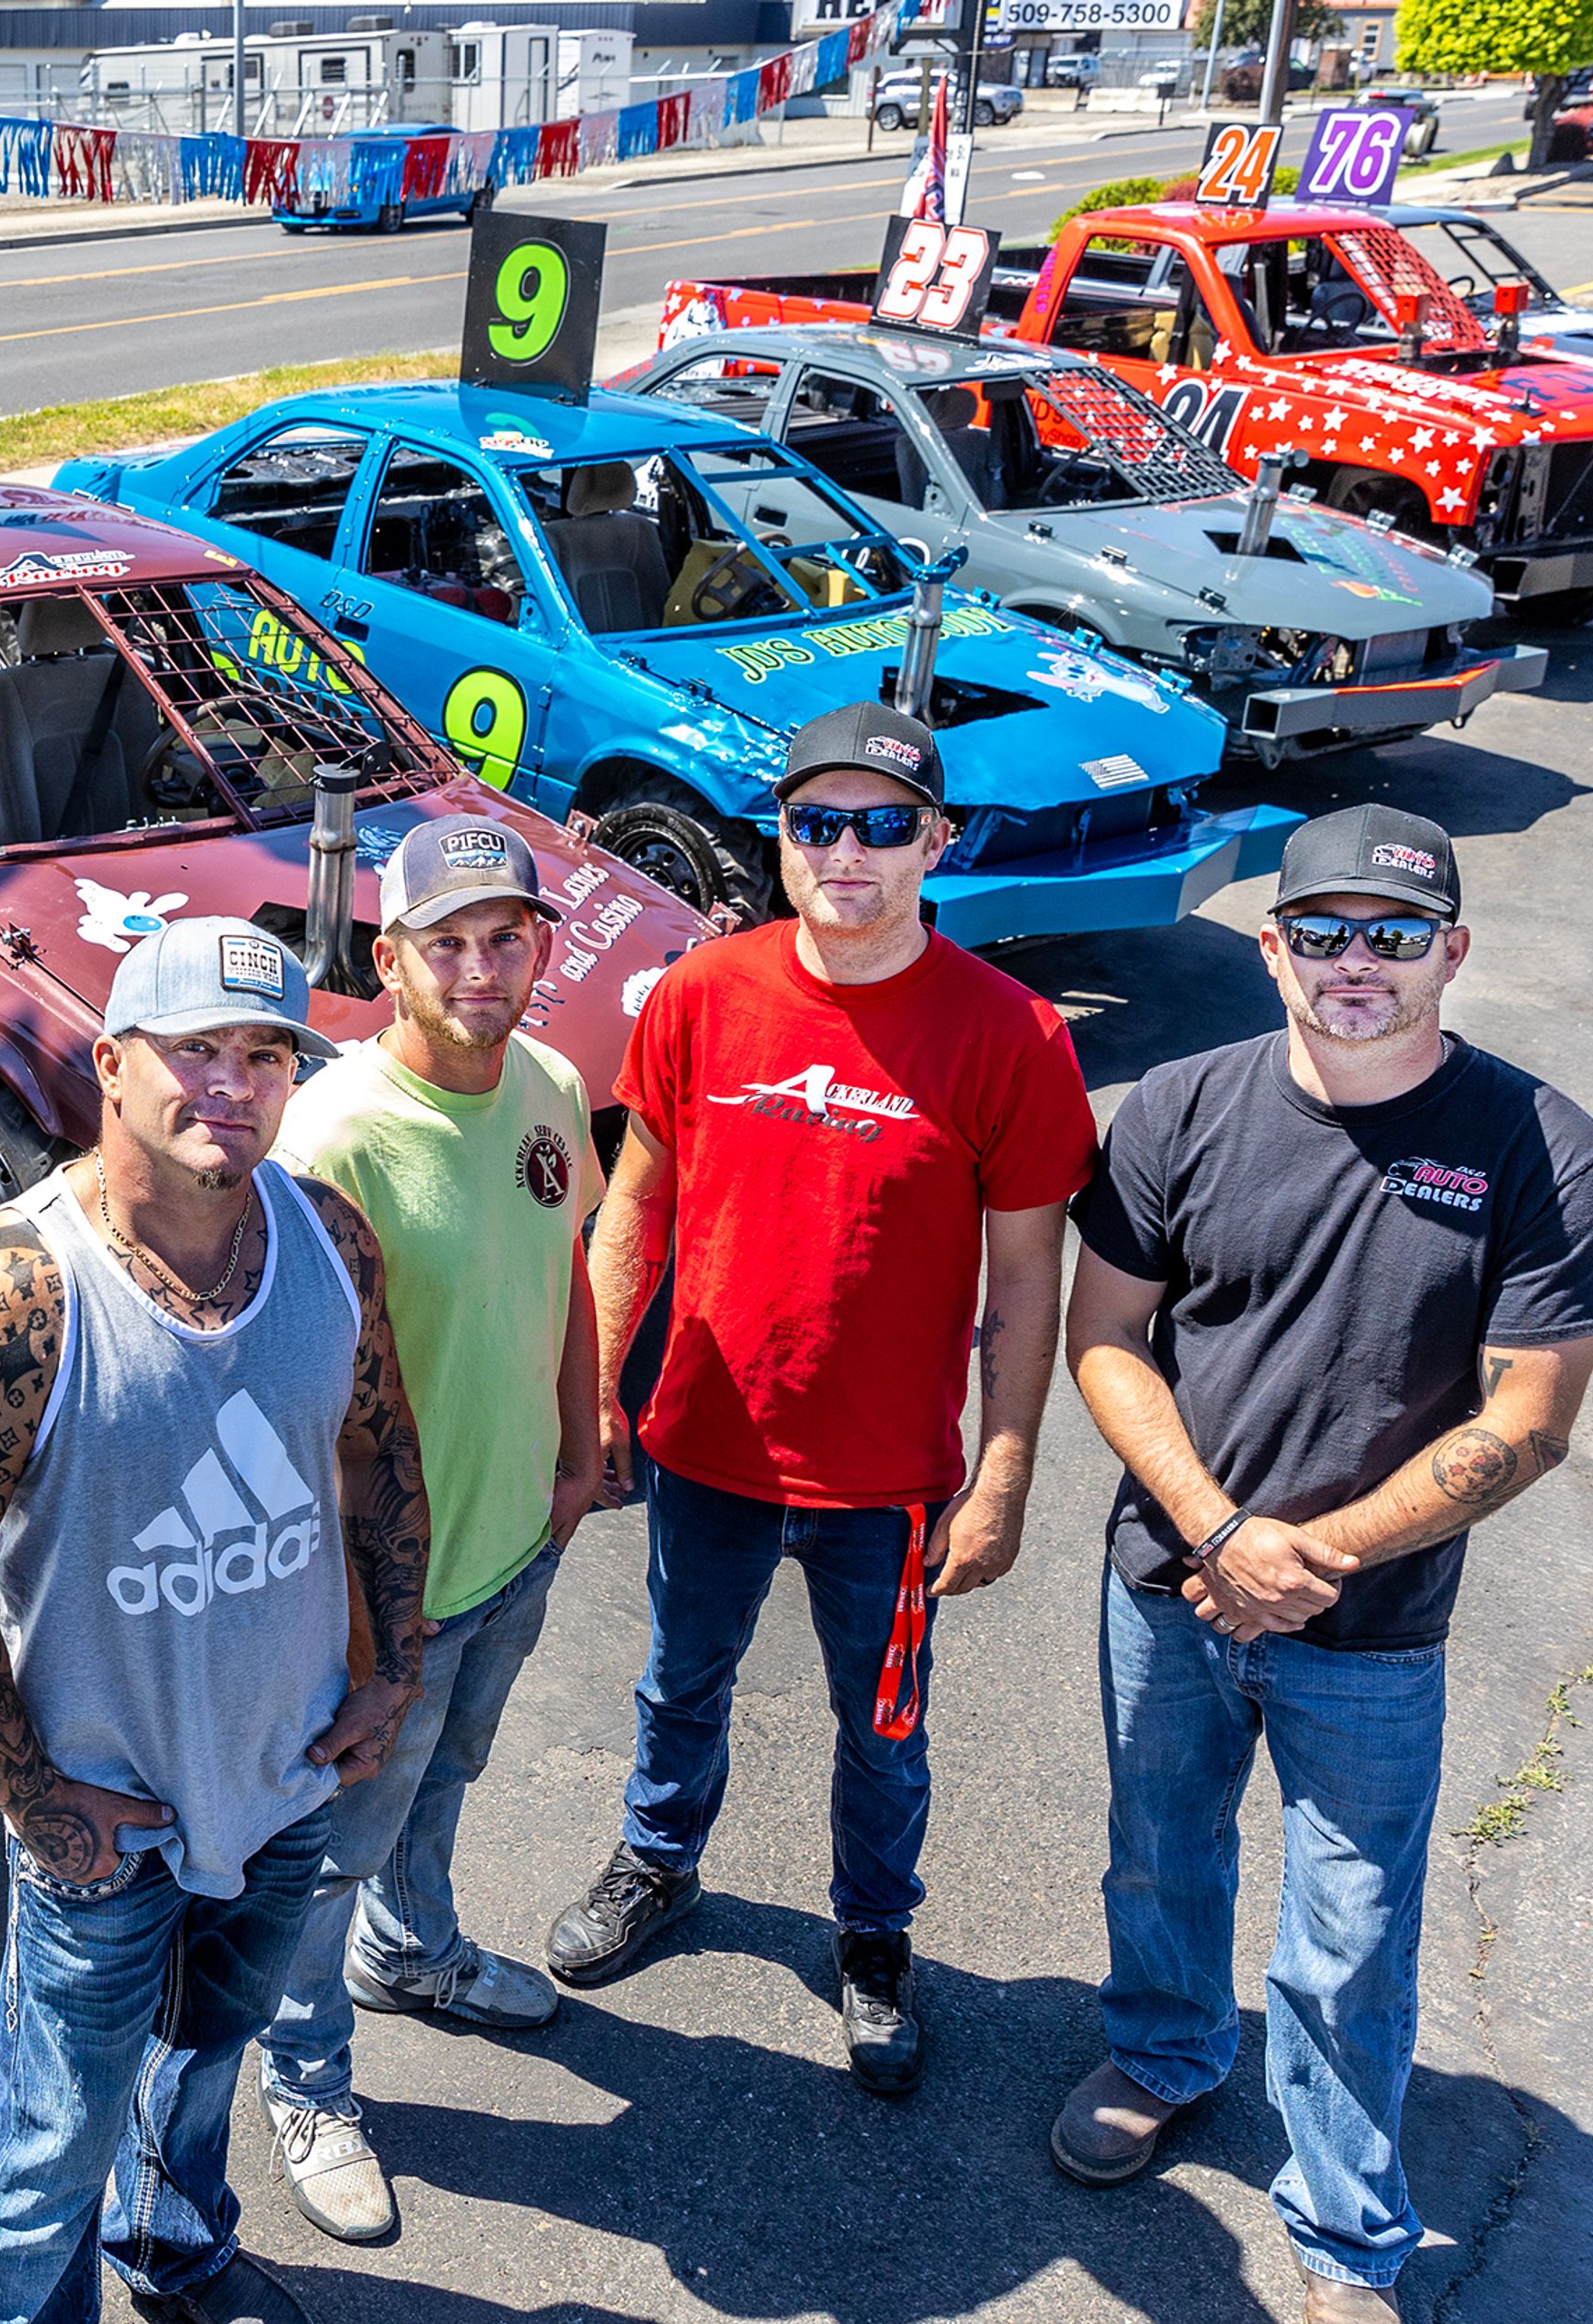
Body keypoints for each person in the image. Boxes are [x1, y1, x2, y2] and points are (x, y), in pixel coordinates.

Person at [1054, 806, 1593, 2324]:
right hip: (1171, 1581)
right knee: (1160, 1850)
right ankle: (1167, 2052)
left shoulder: (1541, 1146)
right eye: (1323, 930)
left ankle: (1345, 2236)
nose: (1355, 961)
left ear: (1452, 950)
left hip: (1372, 1624)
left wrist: (1317, 1554)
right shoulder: (1178, 1108)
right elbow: (1104, 1340)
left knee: (1351, 1933)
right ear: (1273, 949)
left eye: (1394, 933)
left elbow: (1534, 1415)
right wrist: (1224, 1532)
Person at [0, 915, 431, 2324]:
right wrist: (32, 1798)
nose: (232, 1085)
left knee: (204, 2062)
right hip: (105, 1816)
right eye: (195, 1050)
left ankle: (174, 2249)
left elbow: (377, 1452)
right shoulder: (11, 1293)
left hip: (287, 1770)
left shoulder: (329, 1241)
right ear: (112, 1062)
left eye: (265, 1055)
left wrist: (395, 1670)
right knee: (48, 2143)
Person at [545, 701, 1099, 2095]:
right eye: (816, 822)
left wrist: (1008, 1471)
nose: (846, 850)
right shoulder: (698, 995)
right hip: (707, 1447)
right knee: (680, 1680)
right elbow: (637, 1213)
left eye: (881, 824)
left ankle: (874, 1940)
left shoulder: (1014, 1036)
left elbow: (1026, 1282)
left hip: (893, 1482)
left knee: (886, 1726)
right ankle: (659, 1863)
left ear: (935, 842)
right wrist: (600, 1391)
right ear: (778, 838)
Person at [253, 817, 601, 2243]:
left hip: (517, 1538)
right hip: (383, 1593)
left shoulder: (553, 1084)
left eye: (502, 937)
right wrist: (347, 1615)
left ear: (540, 947)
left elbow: (565, 1273)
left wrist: (582, 1455)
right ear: (386, 960)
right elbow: (290, 1399)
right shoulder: (335, 1136)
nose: (478, 968)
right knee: (335, 1846)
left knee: (453, 1775)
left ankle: (421, 1953)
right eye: (443, 944)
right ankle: (306, 2075)